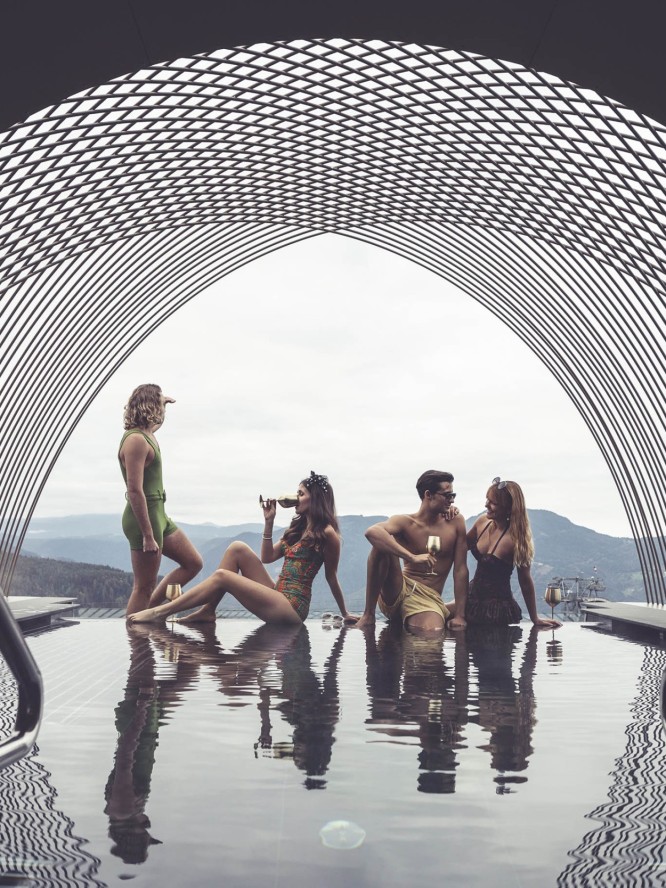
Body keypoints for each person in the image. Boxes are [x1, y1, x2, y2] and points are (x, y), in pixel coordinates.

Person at [128, 471, 357, 625]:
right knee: (237, 548)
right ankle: (208, 611)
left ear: (315, 499)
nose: (295, 498)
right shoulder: (298, 529)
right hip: (278, 593)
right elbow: (267, 557)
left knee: (222, 577)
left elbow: (332, 577)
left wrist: (345, 613)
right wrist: (268, 522)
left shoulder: (328, 534)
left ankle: (159, 612)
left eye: (301, 494)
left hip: (293, 607)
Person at [119, 384, 203, 616]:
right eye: (159, 402)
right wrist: (147, 535)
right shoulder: (135, 441)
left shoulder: (147, 434)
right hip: (143, 518)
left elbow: (156, 424)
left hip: (159, 514)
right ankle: (135, 633)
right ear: (150, 405)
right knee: (144, 587)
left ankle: (149, 612)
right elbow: (134, 490)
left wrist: (163, 403)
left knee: (193, 563)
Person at [354, 470, 468, 632]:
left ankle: (441, 610)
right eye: (447, 495)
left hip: (428, 599)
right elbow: (372, 532)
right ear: (428, 495)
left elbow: (460, 569)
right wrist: (412, 557)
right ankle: (368, 615)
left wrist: (460, 616)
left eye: (453, 495)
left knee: (432, 631)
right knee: (381, 545)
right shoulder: (405, 522)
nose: (452, 500)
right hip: (398, 590)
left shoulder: (455, 522)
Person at [453, 477, 560, 628]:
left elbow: (525, 581)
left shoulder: (516, 541)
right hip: (471, 599)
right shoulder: (482, 522)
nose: (486, 505)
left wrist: (535, 618)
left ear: (509, 508)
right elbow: (459, 546)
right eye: (487, 500)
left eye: (493, 503)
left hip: (496, 610)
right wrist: (451, 515)